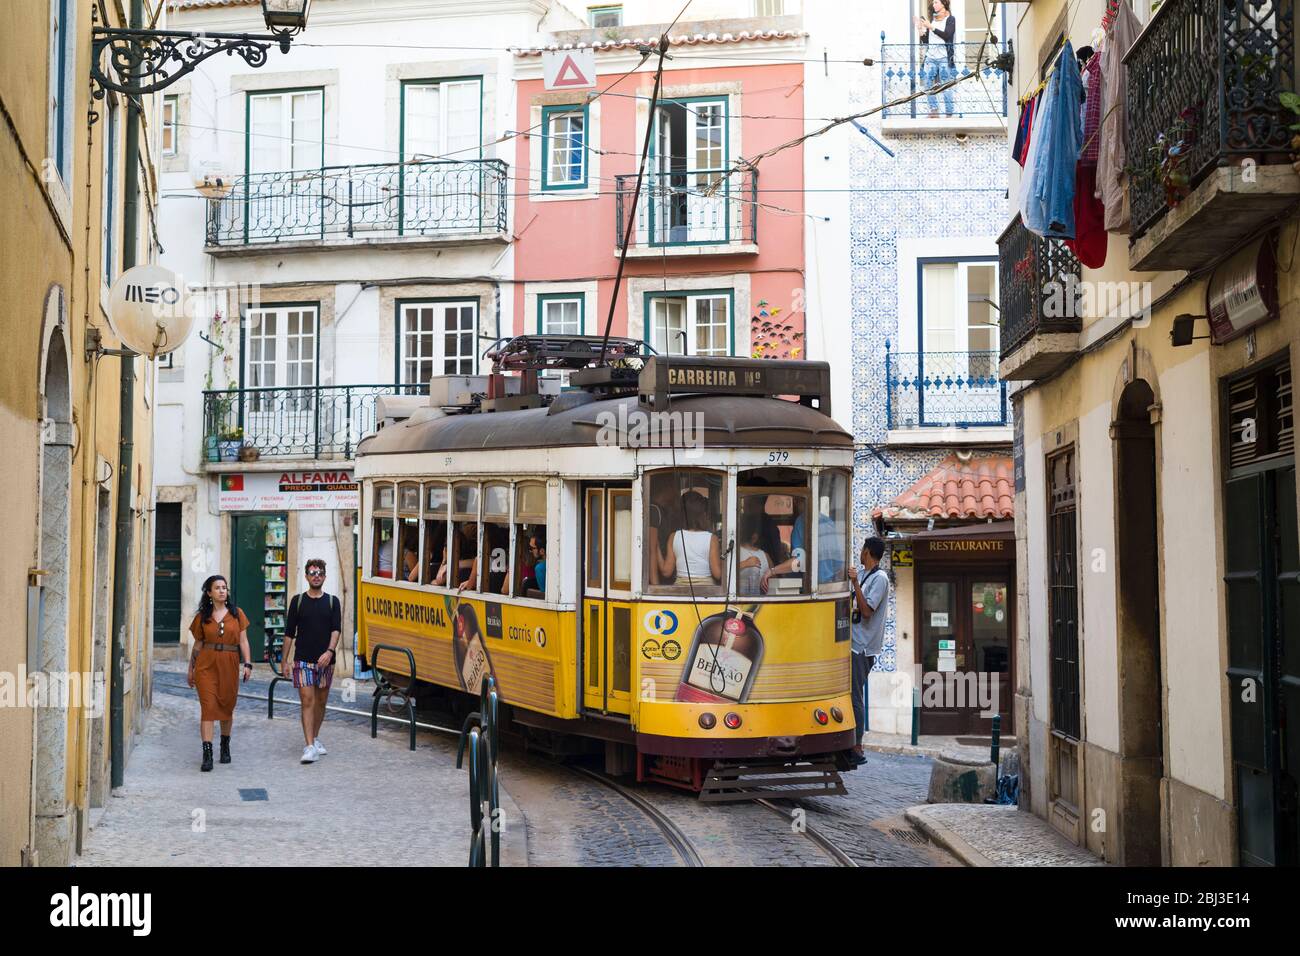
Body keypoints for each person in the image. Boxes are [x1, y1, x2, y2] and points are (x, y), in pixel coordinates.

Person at [187, 575, 253, 772]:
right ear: (209, 593)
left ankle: (225, 745)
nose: (222, 591)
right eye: (217, 588)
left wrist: (247, 664)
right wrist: (191, 669)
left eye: (224, 587)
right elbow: (198, 645)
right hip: (206, 665)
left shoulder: (237, 614)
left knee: (226, 705)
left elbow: (243, 641)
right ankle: (207, 754)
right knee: (208, 708)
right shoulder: (202, 617)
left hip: (229, 663)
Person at [283, 558, 342, 765]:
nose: (316, 576)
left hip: (326, 661)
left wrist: (330, 651)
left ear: (324, 576)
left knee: (321, 702)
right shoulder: (297, 601)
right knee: (307, 701)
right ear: (307, 576)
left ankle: (315, 738)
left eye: (320, 573)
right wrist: (285, 661)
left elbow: (336, 630)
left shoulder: (333, 602)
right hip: (302, 660)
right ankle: (309, 746)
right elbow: (289, 633)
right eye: (312, 572)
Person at [848, 537, 889, 766]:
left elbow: (866, 611)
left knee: (856, 696)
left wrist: (854, 584)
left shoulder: (880, 579)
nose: (860, 553)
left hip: (863, 647)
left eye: (862, 550)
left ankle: (858, 745)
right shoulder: (864, 575)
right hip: (853, 642)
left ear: (868, 552)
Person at [659, 491, 722, 585]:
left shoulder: (674, 537)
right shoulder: (712, 539)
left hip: (680, 590)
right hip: (706, 590)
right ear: (703, 514)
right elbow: (718, 574)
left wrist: (655, 545)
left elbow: (666, 572)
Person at [916, 0, 957, 117]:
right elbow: (926, 41)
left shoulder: (950, 19)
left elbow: (947, 35)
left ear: (943, 3)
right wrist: (920, 29)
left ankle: (949, 113)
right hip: (931, 57)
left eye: (936, 2)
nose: (933, 5)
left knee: (946, 86)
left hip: (944, 57)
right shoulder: (933, 19)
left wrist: (931, 27)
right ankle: (934, 111)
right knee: (928, 85)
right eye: (933, 3)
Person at [737, 514, 772, 596]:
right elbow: (774, 583)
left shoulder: (734, 552)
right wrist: (746, 563)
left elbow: (724, 573)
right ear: (755, 537)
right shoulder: (765, 556)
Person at [521, 530, 547, 594]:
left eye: (532, 548)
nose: (530, 551)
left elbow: (543, 595)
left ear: (542, 551)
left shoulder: (540, 568)